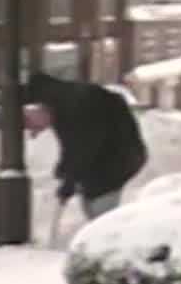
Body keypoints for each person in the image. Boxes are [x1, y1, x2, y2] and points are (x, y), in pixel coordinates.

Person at [22, 71, 148, 220]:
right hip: (107, 154)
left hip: (118, 156)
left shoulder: (73, 104)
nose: (37, 131)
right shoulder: (60, 105)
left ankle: (106, 231)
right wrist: (65, 170)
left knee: (100, 207)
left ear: (37, 108)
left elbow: (83, 148)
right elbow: (71, 147)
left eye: (33, 125)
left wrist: (69, 183)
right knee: (91, 198)